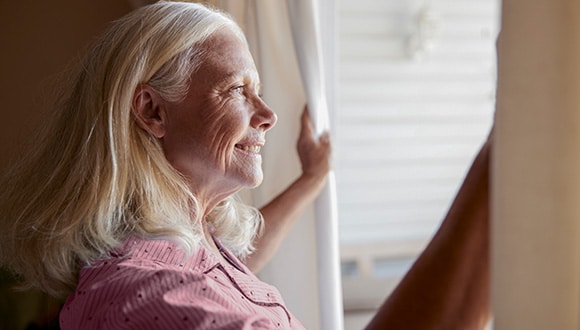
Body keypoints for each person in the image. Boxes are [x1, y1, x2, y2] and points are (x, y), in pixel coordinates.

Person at [0, 1, 490, 329]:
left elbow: (237, 263)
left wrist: (312, 179)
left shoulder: (184, 247)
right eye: (238, 90)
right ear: (152, 111)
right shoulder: (150, 295)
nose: (269, 114)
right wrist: (499, 172)